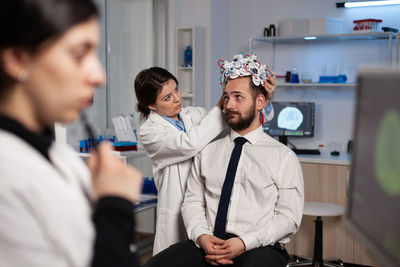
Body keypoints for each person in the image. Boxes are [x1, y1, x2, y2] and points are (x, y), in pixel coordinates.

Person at [0, 1, 142, 266]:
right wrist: (115, 205)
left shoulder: (59, 156)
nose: (99, 76)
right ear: (18, 59)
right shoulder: (7, 178)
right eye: (78, 54)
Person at [143, 55, 304, 267]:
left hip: (256, 245)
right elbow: (193, 146)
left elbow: (288, 218)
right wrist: (202, 236)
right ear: (151, 106)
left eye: (238, 97)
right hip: (206, 237)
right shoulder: (158, 135)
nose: (228, 105)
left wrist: (245, 242)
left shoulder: (283, 156)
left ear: (259, 102)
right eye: (226, 98)